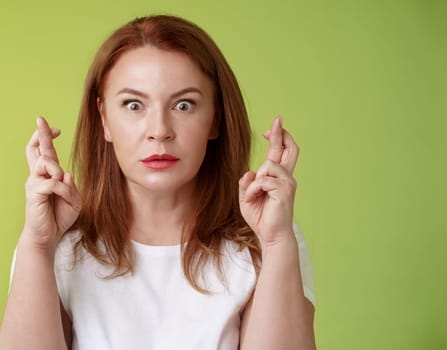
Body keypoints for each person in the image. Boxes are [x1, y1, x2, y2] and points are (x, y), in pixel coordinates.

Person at [0, 14, 316, 350]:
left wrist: (277, 243)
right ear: (104, 118)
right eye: (133, 105)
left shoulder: (268, 241)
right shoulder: (54, 245)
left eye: (184, 104)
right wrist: (37, 244)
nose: (159, 130)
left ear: (216, 119)